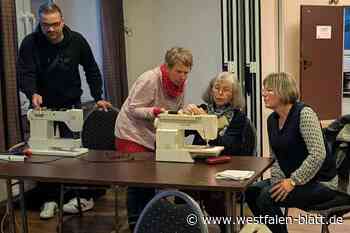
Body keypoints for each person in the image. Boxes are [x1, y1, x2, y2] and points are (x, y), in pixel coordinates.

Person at [17, 2, 111, 219]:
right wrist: (32, 93)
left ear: (62, 22)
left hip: (70, 103)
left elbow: (91, 69)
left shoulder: (77, 41)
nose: (50, 29)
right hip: (42, 105)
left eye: (54, 24)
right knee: (43, 155)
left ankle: (76, 197)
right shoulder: (30, 43)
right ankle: (49, 199)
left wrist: (98, 97)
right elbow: (25, 72)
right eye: (45, 25)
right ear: (39, 23)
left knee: (73, 154)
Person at [245, 72, 338, 233]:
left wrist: (292, 181)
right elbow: (276, 157)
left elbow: (317, 154)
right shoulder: (272, 120)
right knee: (252, 191)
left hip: (321, 182)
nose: (263, 94)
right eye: (264, 90)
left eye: (269, 90)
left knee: (266, 197)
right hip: (294, 178)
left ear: (283, 92)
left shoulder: (304, 114)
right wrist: (278, 181)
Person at [114, 47, 193, 230]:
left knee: (155, 179)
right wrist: (155, 112)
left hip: (152, 132)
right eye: (178, 71)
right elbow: (133, 108)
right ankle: (136, 224)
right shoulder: (149, 79)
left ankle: (153, 221)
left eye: (186, 72)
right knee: (139, 181)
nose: (183, 76)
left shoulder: (182, 84)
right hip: (130, 133)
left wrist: (182, 114)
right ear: (167, 67)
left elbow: (175, 108)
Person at [182, 72, 250, 232]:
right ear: (211, 90)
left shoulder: (238, 117)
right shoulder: (202, 109)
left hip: (224, 166)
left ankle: (226, 229)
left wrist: (205, 120)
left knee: (214, 197)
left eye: (225, 90)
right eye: (216, 88)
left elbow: (227, 145)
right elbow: (184, 132)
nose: (220, 93)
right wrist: (185, 116)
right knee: (183, 193)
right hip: (198, 166)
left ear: (233, 95)